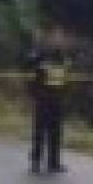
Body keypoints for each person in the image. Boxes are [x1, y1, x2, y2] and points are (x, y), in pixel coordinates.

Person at [26, 27, 70, 175]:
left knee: (56, 131)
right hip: (43, 97)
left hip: (57, 98)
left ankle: (54, 162)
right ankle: (36, 162)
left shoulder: (63, 56)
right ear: (50, 37)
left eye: (61, 37)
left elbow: (65, 77)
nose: (59, 40)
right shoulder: (41, 52)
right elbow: (29, 64)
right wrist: (38, 63)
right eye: (57, 36)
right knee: (39, 131)